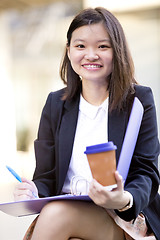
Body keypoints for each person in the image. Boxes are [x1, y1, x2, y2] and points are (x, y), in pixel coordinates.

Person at [14, 7, 160, 240]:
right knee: (56, 214)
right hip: (67, 209)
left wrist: (124, 199)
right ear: (69, 51)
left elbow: (146, 171)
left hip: (122, 215)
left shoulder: (138, 101)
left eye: (102, 46)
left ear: (117, 50)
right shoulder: (55, 103)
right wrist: (34, 191)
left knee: (54, 215)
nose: (91, 55)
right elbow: (46, 177)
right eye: (80, 46)